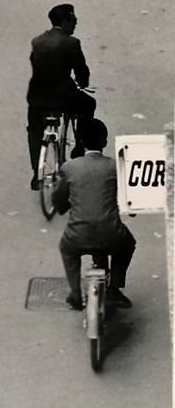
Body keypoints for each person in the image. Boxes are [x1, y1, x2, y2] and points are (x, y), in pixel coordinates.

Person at [52, 119, 136, 312]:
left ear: (81, 142)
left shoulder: (69, 167)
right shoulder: (116, 167)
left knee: (67, 249)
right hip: (112, 234)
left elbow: (59, 202)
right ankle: (114, 289)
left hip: (77, 235)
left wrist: (65, 205)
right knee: (128, 245)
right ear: (105, 142)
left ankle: (75, 293)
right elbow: (128, 200)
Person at [25, 3, 97, 188]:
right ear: (65, 22)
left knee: (34, 130)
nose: (75, 23)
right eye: (73, 20)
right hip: (63, 97)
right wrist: (83, 84)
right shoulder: (71, 43)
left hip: (37, 97)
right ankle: (80, 145)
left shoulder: (38, 41)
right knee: (88, 104)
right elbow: (81, 70)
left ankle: (36, 174)